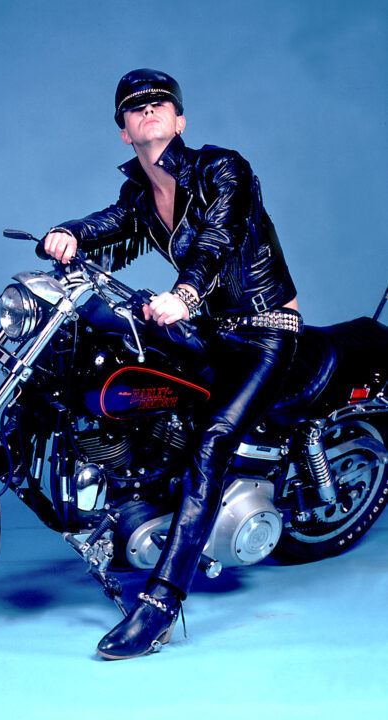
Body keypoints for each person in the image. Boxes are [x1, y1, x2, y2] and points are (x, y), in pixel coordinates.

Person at [44, 69, 301, 660]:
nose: (149, 110)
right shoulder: (140, 190)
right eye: (135, 107)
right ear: (124, 132)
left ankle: (160, 604)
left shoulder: (222, 168)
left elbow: (219, 238)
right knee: (112, 356)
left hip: (266, 333)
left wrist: (183, 296)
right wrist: (66, 233)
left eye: (161, 103)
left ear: (180, 120)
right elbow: (109, 223)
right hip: (211, 331)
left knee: (211, 444)